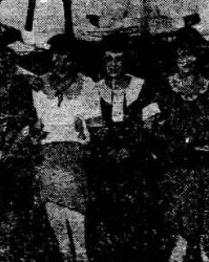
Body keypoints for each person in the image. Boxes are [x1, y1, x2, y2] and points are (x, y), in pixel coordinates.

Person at [152, 32, 209, 261]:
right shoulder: (163, 87)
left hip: (205, 158)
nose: (186, 61)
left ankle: (204, 247)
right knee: (181, 183)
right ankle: (179, 245)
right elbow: (155, 125)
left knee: (206, 181)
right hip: (173, 157)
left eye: (191, 55)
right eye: (181, 55)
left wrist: (208, 139)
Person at [0, 45, 60, 261]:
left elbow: (30, 123)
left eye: (4, 62)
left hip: (18, 157)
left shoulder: (22, 89)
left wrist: (14, 147)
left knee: (23, 207)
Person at [86, 35, 166, 262]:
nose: (113, 64)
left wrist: (131, 149)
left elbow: (149, 126)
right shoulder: (95, 88)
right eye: (108, 59)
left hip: (136, 161)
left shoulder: (143, 86)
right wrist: (110, 153)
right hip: (105, 163)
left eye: (119, 59)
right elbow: (94, 128)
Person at [30, 37, 100, 261]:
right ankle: (65, 255)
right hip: (48, 151)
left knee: (75, 211)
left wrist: (84, 133)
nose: (61, 61)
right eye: (57, 55)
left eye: (67, 57)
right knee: (54, 210)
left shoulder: (87, 84)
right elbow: (37, 122)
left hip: (75, 152)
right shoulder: (38, 84)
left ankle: (81, 255)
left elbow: (96, 124)